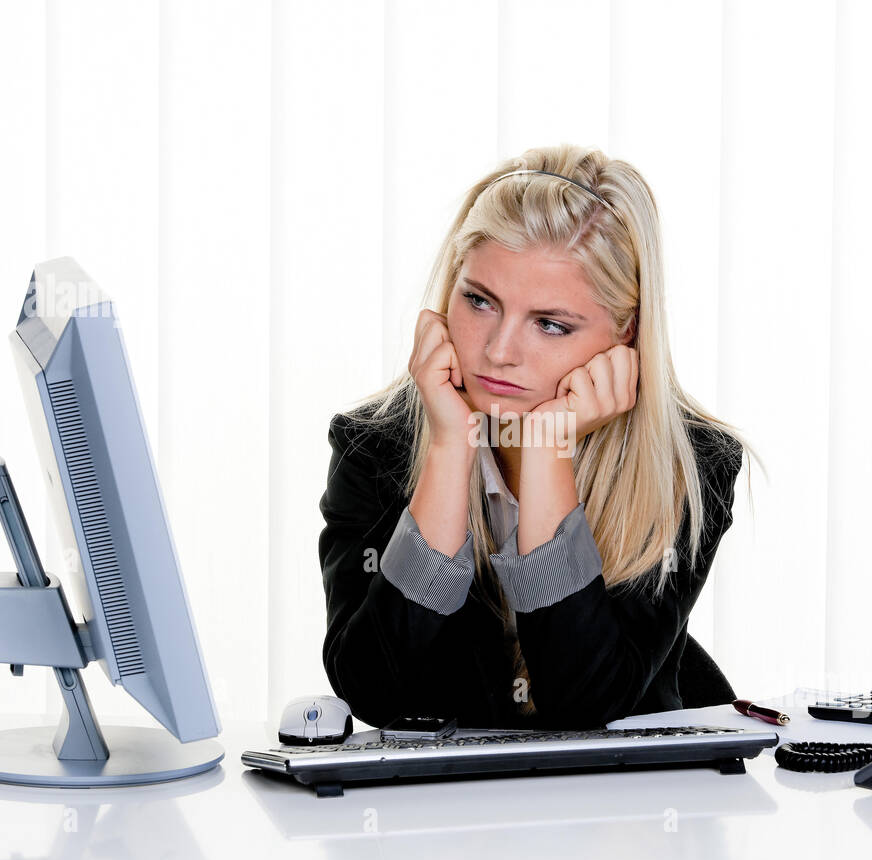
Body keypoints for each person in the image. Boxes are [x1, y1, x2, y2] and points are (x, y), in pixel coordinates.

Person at [319, 144, 760, 731]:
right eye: (479, 301)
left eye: (550, 324)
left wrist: (548, 450)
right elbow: (374, 690)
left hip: (632, 810)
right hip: (443, 814)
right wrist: (450, 449)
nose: (498, 352)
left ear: (625, 332)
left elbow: (587, 708)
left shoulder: (689, 463)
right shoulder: (374, 446)